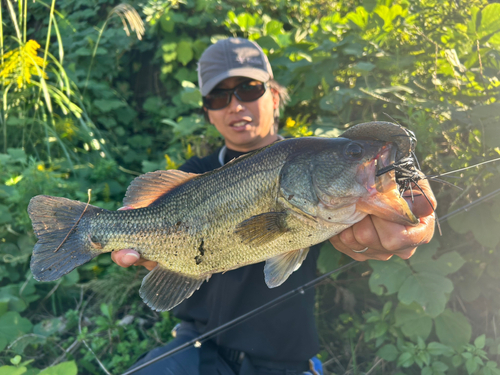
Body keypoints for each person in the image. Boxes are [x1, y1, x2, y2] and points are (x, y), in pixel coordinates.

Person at [112, 37, 436, 375]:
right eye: (219, 97)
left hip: (284, 362)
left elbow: (379, 159)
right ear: (207, 112)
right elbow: (144, 214)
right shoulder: (191, 176)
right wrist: (133, 235)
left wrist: (406, 187)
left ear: (275, 96)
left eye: (249, 89)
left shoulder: (316, 157)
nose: (236, 105)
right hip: (196, 349)